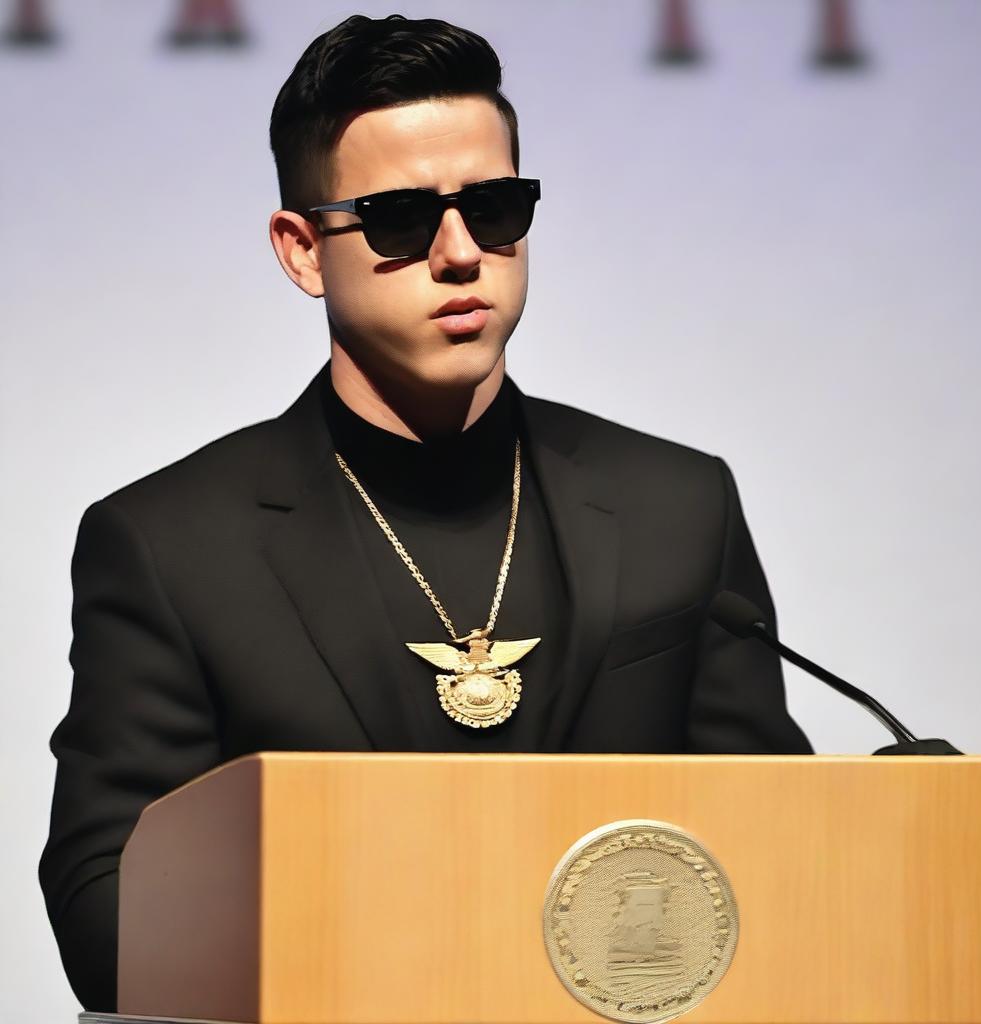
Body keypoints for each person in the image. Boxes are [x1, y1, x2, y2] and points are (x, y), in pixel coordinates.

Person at [39, 13, 812, 1012]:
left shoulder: (676, 502)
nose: (459, 254)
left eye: (493, 207)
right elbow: (108, 913)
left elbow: (784, 848)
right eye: (401, 219)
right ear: (302, 249)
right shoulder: (171, 544)